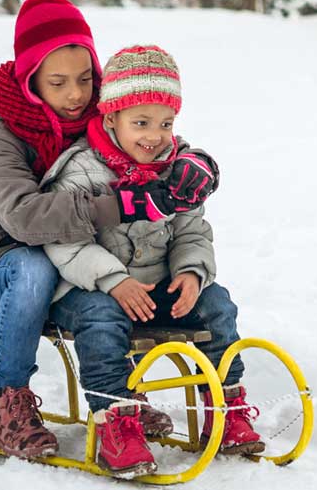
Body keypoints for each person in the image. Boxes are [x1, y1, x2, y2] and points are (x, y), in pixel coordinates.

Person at [0, 0, 220, 460]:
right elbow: (25, 218)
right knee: (36, 266)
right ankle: (9, 401)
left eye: (85, 79)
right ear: (32, 79)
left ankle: (123, 396)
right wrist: (127, 203)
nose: (75, 95)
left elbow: (150, 126)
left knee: (108, 281)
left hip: (83, 265)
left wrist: (197, 163)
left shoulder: (103, 113)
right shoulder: (2, 132)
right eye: (58, 83)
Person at [43, 45, 263, 478]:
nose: (154, 136)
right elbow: (63, 242)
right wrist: (112, 279)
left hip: (156, 288)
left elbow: (191, 229)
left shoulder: (175, 168)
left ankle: (226, 406)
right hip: (89, 290)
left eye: (165, 124)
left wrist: (190, 272)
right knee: (101, 319)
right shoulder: (81, 171)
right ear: (112, 119)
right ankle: (116, 421)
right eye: (140, 123)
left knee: (217, 303)